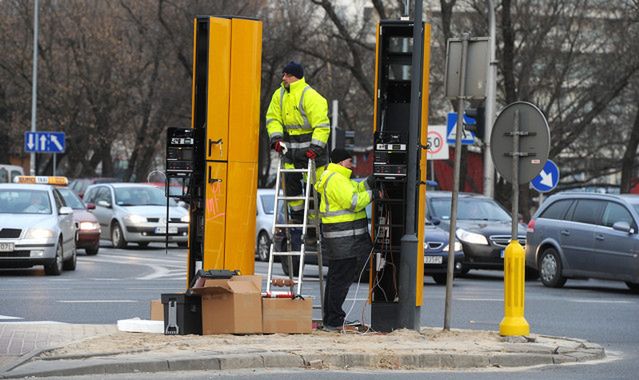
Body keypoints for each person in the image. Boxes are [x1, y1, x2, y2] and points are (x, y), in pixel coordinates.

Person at [314, 148, 378, 331]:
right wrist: (374, 194)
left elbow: (356, 189)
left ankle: (332, 319)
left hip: (341, 239)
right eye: (350, 160)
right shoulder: (335, 179)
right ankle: (334, 320)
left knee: (336, 278)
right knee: (340, 280)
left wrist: (370, 182)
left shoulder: (337, 178)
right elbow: (354, 201)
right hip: (343, 239)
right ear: (342, 162)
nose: (352, 164)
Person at [266, 61, 330, 222]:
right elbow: (273, 119)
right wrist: (276, 139)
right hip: (290, 153)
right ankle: (297, 220)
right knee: (291, 188)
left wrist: (315, 148)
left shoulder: (311, 96)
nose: (284, 78)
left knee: (316, 192)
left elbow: (322, 126)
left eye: (288, 75)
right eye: (283, 74)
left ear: (297, 77)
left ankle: (315, 228)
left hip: (312, 155)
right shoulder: (278, 95)